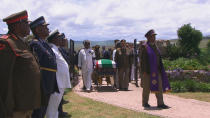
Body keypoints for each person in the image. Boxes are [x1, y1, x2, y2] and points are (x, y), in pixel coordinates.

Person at [0, 10, 41, 118]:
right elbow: (4, 78)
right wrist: (6, 107)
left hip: (26, 103)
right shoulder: (6, 43)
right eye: (26, 23)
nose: (29, 26)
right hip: (16, 107)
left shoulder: (21, 42)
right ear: (18, 25)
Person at [29, 16, 59, 118]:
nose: (47, 29)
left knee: (43, 111)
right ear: (38, 29)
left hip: (48, 82)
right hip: (42, 83)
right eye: (44, 27)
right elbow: (36, 65)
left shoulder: (43, 43)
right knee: (38, 112)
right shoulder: (35, 44)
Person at [140, 29, 171, 109]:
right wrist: (144, 72)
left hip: (157, 70)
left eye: (154, 36)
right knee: (146, 88)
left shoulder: (155, 47)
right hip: (147, 71)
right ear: (148, 37)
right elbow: (142, 61)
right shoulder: (144, 47)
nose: (154, 38)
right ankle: (145, 102)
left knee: (159, 87)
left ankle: (160, 103)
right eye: (152, 36)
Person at [46, 30, 71, 118]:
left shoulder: (56, 49)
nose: (61, 40)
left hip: (61, 83)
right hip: (57, 83)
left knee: (55, 108)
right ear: (54, 39)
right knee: (52, 108)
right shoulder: (52, 50)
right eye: (59, 38)